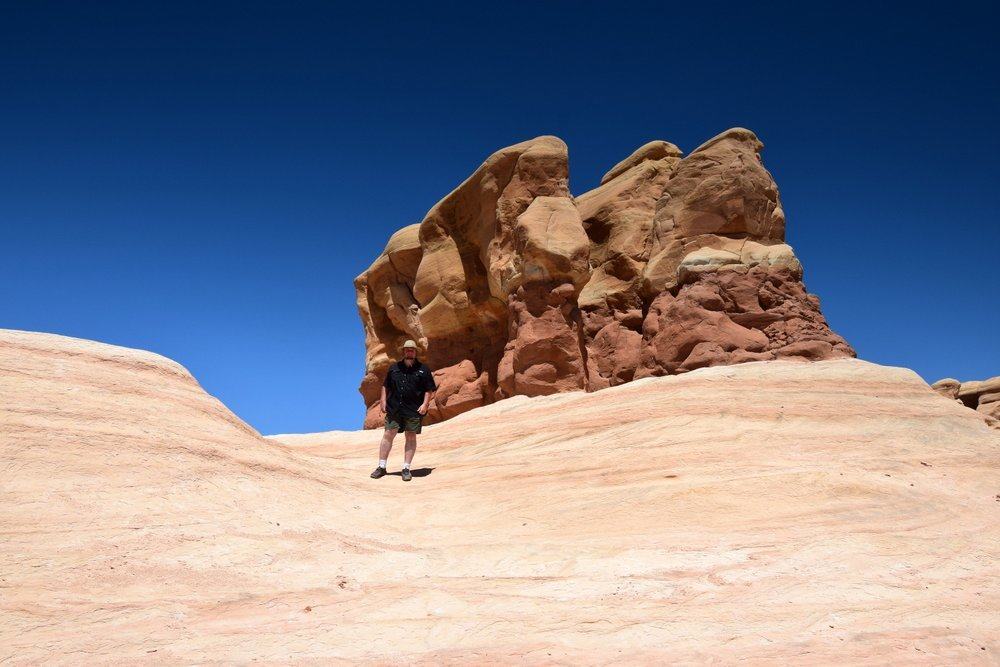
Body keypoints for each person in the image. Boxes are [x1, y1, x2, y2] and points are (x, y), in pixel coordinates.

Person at [371, 339, 437, 482]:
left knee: (411, 436)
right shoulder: (394, 368)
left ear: (415, 352)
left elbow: (429, 389)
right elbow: (385, 386)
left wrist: (425, 404)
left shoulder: (423, 369)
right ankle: (381, 467)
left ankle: (406, 468)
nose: (409, 352)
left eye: (412, 350)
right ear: (404, 351)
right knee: (388, 434)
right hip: (394, 407)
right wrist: (383, 400)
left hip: (413, 409)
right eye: (407, 350)